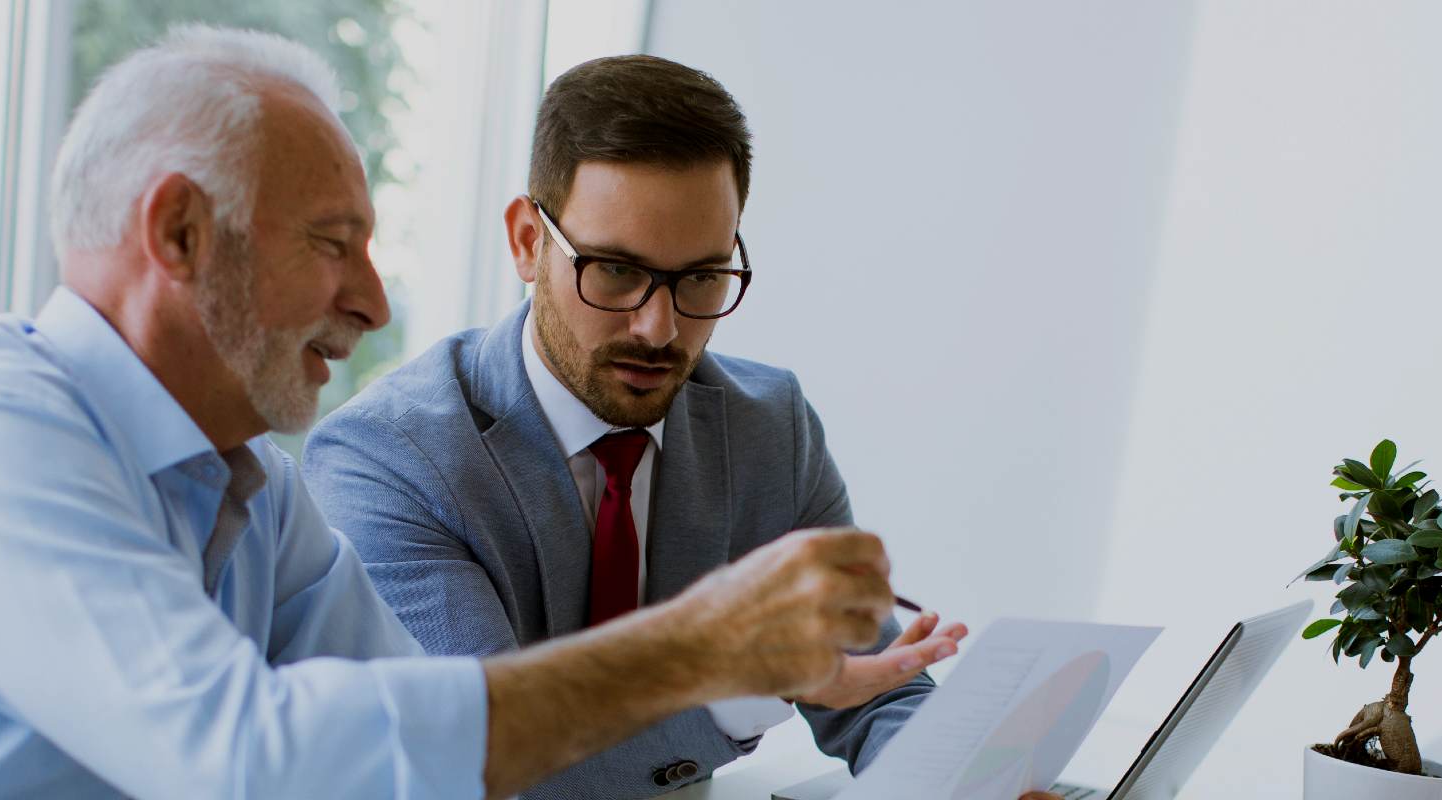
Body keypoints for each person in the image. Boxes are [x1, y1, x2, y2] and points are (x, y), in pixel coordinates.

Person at [0, 26, 905, 800]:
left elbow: (441, 750)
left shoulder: (258, 492)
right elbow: (251, 756)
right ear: (180, 233)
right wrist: (708, 653)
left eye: (701, 277)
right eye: (331, 244)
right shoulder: (10, 426)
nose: (373, 304)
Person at [301, 55, 969, 796]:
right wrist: (743, 686)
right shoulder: (388, 459)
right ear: (528, 241)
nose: (660, 328)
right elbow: (488, 760)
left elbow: (877, 687)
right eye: (616, 271)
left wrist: (961, 780)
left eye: (702, 278)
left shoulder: (769, 427)